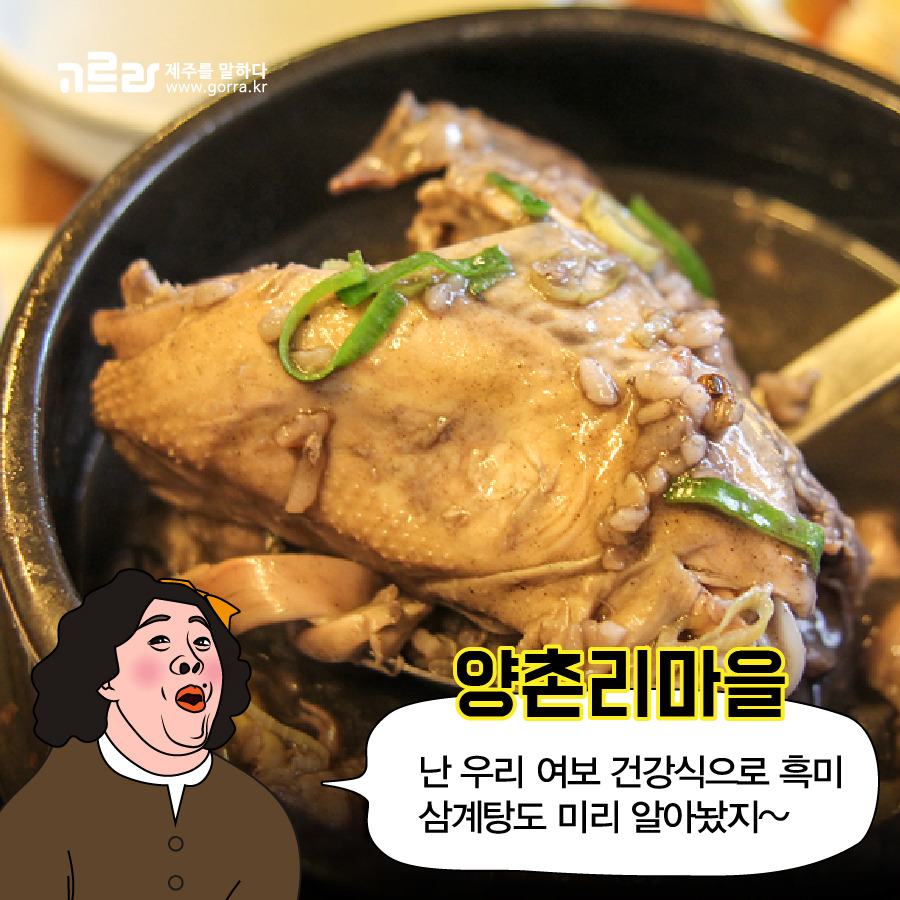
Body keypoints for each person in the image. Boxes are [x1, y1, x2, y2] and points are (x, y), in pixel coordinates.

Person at [0, 568, 301, 898]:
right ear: (106, 676)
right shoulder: (47, 817)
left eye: (202, 642)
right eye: (160, 641)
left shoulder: (259, 817)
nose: (190, 661)